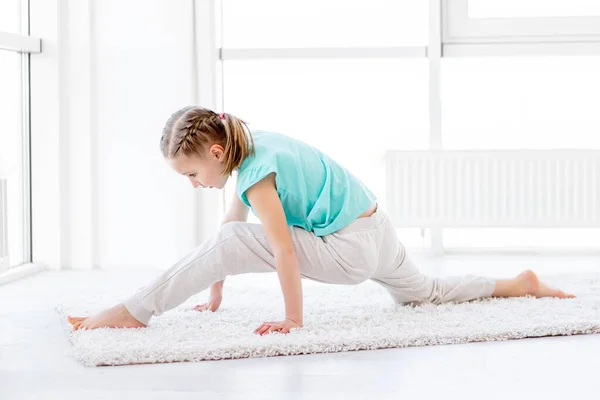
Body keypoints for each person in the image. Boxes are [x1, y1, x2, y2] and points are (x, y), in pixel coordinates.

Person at [67, 106, 575, 335]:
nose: (193, 182)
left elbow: (281, 248)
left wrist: (294, 320)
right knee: (426, 292)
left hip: (348, 250)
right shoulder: (254, 146)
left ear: (218, 152)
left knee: (234, 241)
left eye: (192, 173)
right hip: (376, 228)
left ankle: (136, 310)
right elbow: (231, 223)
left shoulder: (254, 174)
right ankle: (518, 283)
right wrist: (215, 292)